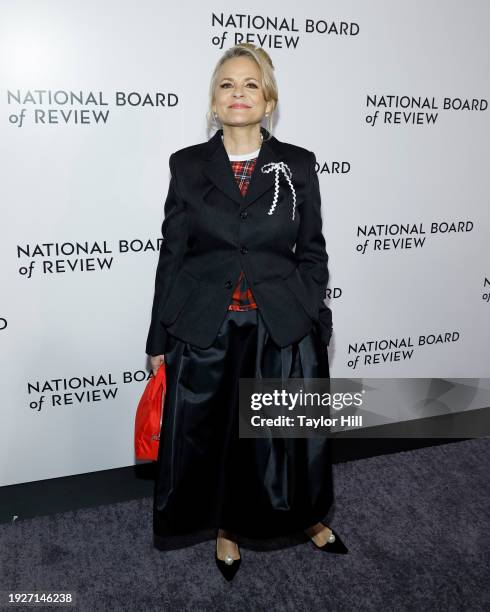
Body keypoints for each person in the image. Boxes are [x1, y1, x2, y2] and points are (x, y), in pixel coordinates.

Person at [146, 43, 348, 581]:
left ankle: (307, 517)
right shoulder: (188, 166)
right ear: (214, 101)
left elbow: (312, 250)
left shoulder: (298, 164)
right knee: (219, 442)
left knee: (287, 440)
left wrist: (310, 312)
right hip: (208, 328)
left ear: (269, 99)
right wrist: (157, 340)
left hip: (278, 325)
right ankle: (227, 528)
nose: (239, 93)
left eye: (251, 84)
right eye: (227, 85)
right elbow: (173, 254)